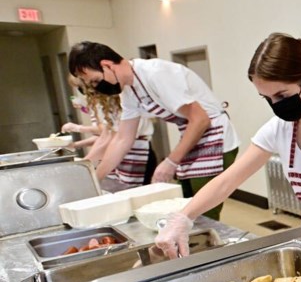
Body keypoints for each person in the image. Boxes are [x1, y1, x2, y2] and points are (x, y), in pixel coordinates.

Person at [155, 33, 301, 267]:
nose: (276, 105)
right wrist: (184, 217)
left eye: (281, 95)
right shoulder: (279, 130)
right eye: (266, 98)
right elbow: (229, 179)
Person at [68, 42, 239, 219]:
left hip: (216, 138)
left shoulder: (156, 73)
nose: (97, 87)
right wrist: (95, 179)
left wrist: (171, 161)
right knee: (187, 205)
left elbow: (200, 119)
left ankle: (209, 243)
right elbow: (123, 139)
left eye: (95, 81)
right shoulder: (128, 91)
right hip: (193, 137)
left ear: (107, 65)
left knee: (203, 209)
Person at [63, 79, 157, 188]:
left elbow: (114, 138)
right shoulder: (108, 104)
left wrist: (89, 169)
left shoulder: (126, 102)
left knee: (131, 193)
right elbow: (105, 137)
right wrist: (85, 164)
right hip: (119, 152)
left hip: (137, 153)